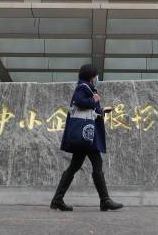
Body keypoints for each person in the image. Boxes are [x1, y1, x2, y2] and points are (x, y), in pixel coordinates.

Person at [50, 64, 123, 212]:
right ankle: (105, 201)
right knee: (97, 164)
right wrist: (94, 100)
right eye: (96, 75)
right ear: (91, 76)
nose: (97, 78)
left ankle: (57, 200)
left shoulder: (86, 87)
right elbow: (79, 102)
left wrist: (102, 111)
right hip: (86, 135)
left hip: (85, 135)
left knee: (74, 167)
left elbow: (88, 111)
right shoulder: (83, 87)